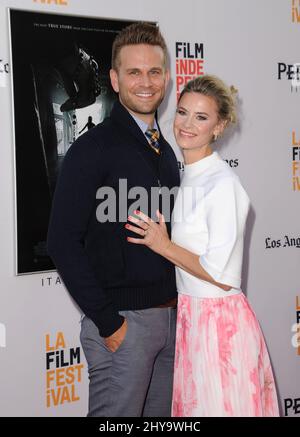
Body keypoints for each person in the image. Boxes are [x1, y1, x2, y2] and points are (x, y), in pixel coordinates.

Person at [47, 22, 180, 417]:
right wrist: (109, 323)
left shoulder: (167, 153)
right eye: (134, 72)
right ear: (114, 79)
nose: (146, 82)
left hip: (170, 321)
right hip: (123, 326)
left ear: (167, 78)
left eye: (154, 71)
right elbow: (62, 242)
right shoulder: (93, 148)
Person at [126, 75, 279, 417]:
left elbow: (221, 273)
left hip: (219, 326)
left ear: (219, 126)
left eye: (201, 117)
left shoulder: (223, 184)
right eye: (182, 112)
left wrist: (162, 245)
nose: (187, 124)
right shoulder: (189, 177)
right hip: (193, 319)